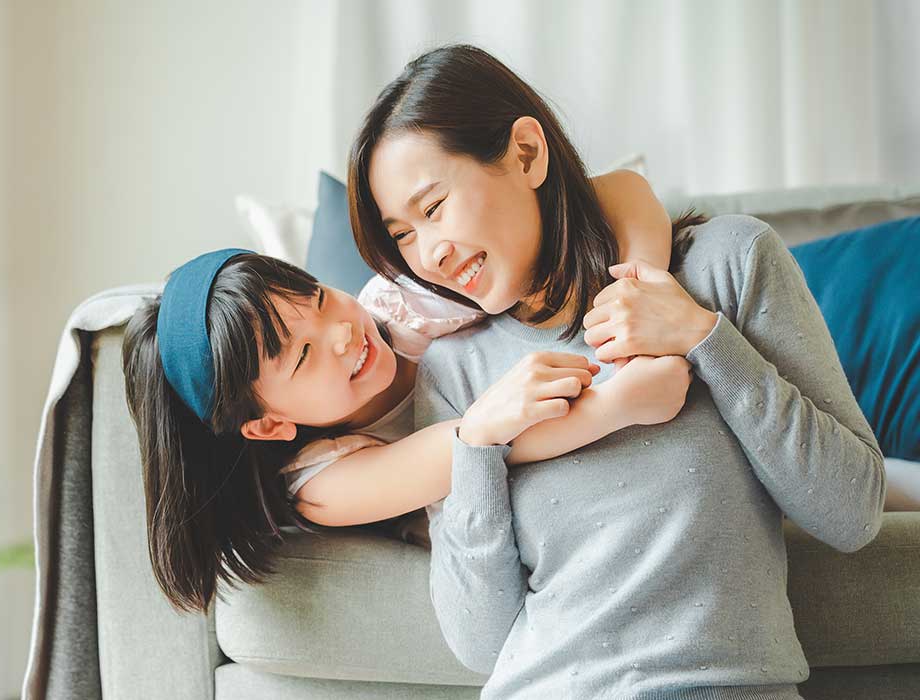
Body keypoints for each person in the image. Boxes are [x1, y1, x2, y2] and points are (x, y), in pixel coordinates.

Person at [348, 43, 885, 698]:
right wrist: (478, 450)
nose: (428, 252)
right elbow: (478, 643)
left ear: (526, 154)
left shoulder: (726, 264)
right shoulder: (457, 370)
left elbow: (851, 512)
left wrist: (703, 338)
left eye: (433, 208)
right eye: (402, 235)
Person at [122, 179, 688, 614]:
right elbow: (479, 447)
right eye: (302, 355)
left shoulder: (397, 306)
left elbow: (618, 189)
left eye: (318, 299)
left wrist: (635, 294)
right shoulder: (322, 480)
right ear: (268, 424)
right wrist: (620, 404)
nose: (342, 333)